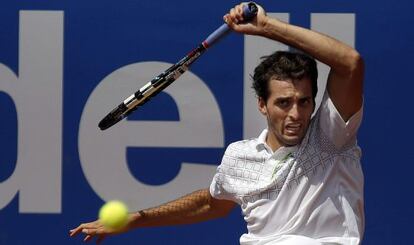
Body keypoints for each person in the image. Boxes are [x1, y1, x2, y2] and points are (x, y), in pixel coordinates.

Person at [69, 2, 364, 244]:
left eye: (304, 102)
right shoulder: (239, 156)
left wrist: (267, 27)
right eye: (283, 103)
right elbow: (211, 203)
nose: (296, 114)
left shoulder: (330, 136)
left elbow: (350, 63)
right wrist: (139, 219)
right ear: (262, 104)